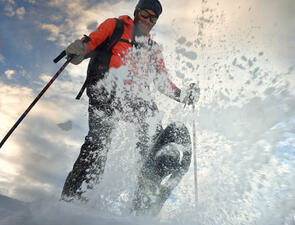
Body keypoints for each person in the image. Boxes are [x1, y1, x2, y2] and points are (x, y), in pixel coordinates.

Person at [61, 0, 200, 215]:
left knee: (151, 119)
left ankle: (151, 173)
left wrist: (183, 95)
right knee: (99, 142)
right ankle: (76, 196)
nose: (148, 20)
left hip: (134, 98)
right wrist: (81, 48)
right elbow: (93, 40)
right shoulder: (115, 26)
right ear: (136, 13)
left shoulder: (153, 49)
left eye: (153, 18)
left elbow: (162, 82)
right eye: (145, 14)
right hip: (105, 92)